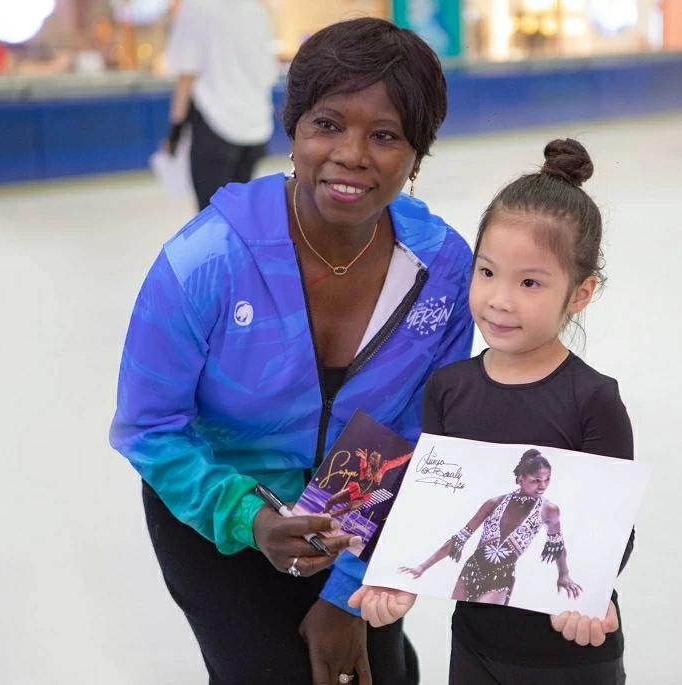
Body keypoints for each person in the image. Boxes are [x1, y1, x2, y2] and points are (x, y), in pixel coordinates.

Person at [110, 18, 473, 685]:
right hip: (213, 507)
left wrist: (346, 597)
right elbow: (148, 426)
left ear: (418, 152)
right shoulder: (204, 261)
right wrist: (251, 517)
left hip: (355, 517)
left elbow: (420, 436)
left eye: (385, 135)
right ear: (294, 130)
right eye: (328, 124)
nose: (351, 154)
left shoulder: (442, 270)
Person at [350, 139, 636, 685]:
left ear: (581, 294)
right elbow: (434, 506)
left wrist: (593, 592)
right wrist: (396, 576)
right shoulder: (449, 389)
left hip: (572, 650)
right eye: (487, 272)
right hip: (476, 645)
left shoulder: (593, 398)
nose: (500, 299)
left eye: (530, 282)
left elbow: (614, 528)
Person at [398, 449, 583, 604]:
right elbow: (460, 538)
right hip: (472, 568)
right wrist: (422, 567)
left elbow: (557, 545)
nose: (543, 485)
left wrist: (564, 574)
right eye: (536, 480)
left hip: (501, 576)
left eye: (547, 479)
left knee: (482, 620)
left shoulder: (549, 510)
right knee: (462, 619)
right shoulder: (494, 503)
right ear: (520, 479)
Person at [164, 0, 278, 210]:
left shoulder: (195, 8)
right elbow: (267, 73)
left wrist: (175, 132)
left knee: (211, 218)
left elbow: (186, 75)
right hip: (255, 129)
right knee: (237, 213)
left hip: (214, 127)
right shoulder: (258, 12)